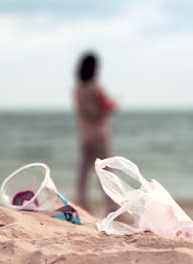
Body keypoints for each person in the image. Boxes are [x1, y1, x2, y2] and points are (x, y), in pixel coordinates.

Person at [73, 51, 117, 212]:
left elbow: (83, 112)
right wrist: (112, 106)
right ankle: (112, 207)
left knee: (84, 173)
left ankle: (82, 205)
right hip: (98, 134)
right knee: (105, 171)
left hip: (85, 135)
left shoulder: (77, 89)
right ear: (94, 68)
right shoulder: (95, 88)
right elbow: (103, 109)